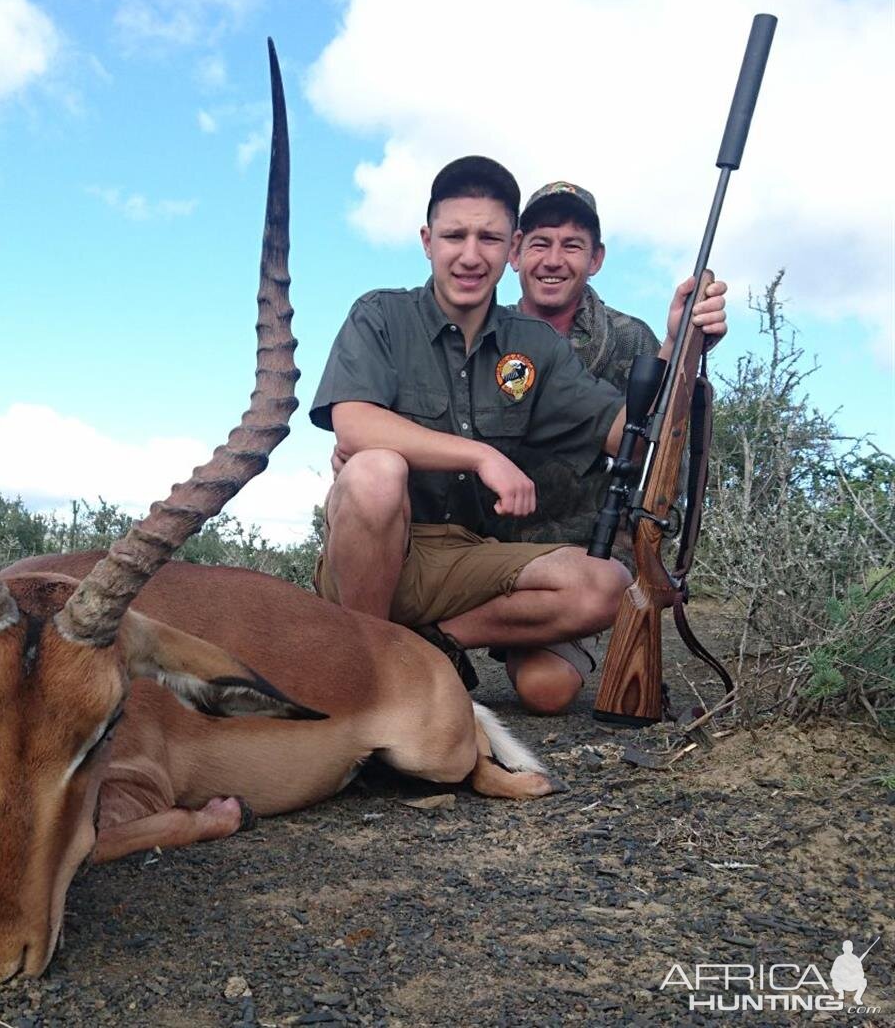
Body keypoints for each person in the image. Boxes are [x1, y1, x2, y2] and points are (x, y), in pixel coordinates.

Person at [309, 156, 727, 715]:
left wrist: (681, 347)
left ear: (508, 251)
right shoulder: (381, 315)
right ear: (427, 240)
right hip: (386, 550)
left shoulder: (533, 345)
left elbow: (630, 434)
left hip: (470, 558)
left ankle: (427, 648)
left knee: (605, 585)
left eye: (489, 237)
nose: (470, 254)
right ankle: (363, 673)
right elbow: (353, 422)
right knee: (374, 472)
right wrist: (483, 456)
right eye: (455, 235)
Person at [493, 181, 661, 554]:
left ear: (596, 259)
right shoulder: (485, 336)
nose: (554, 260)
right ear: (515, 252)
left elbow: (662, 464)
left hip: (594, 544)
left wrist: (681, 347)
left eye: (572, 245)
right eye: (540, 243)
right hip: (490, 540)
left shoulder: (632, 340)